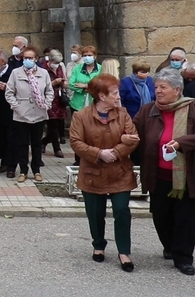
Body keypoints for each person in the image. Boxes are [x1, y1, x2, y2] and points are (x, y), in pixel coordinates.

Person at [69, 74, 140, 272]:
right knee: (95, 213)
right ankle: (98, 245)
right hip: (93, 173)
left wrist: (115, 153)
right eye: (115, 93)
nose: (119, 96)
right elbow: (76, 142)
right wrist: (99, 153)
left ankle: (124, 252)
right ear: (102, 96)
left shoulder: (123, 114)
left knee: (122, 210)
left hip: (120, 172)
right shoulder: (81, 116)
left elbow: (133, 138)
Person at [133, 68, 195, 276]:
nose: (158, 91)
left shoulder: (192, 107)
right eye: (156, 87)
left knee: (186, 219)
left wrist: (181, 142)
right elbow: (132, 130)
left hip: (186, 177)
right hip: (157, 175)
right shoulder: (148, 110)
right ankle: (169, 245)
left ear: (177, 90)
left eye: (163, 87)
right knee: (161, 216)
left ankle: (183, 257)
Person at [5, 45, 54, 183]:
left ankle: (36, 170)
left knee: (36, 143)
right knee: (22, 144)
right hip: (22, 113)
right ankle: (23, 170)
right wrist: (17, 107)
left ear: (36, 59)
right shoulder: (16, 73)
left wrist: (47, 104)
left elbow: (49, 91)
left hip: (39, 112)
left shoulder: (43, 73)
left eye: (30, 58)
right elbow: (9, 93)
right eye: (25, 58)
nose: (27, 60)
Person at [69, 45, 101, 165]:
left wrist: (86, 86)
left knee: (93, 132)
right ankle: (78, 159)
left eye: (89, 55)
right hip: (78, 104)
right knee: (78, 132)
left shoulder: (101, 69)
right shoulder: (77, 68)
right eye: (85, 55)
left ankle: (93, 156)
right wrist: (84, 88)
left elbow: (101, 85)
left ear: (95, 56)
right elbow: (71, 84)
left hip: (95, 104)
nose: (87, 57)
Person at [42, 49, 68, 159]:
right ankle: (57, 148)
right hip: (49, 99)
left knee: (57, 125)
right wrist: (53, 83)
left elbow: (66, 82)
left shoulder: (60, 67)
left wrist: (63, 83)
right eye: (56, 62)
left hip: (59, 99)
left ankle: (43, 142)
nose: (57, 64)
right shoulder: (43, 69)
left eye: (59, 62)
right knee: (53, 125)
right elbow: (41, 85)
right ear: (50, 60)